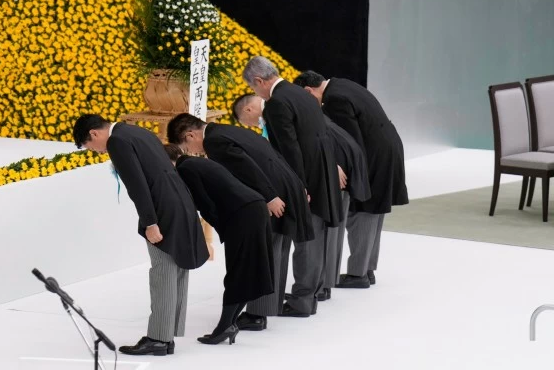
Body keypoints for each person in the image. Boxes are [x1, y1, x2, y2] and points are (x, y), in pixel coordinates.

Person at [73, 114, 208, 357]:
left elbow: (137, 185)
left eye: (89, 147)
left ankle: (158, 338)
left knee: (163, 270)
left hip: (162, 208)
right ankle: (166, 336)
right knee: (176, 268)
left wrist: (150, 223)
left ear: (94, 134)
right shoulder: (137, 132)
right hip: (179, 199)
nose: (96, 151)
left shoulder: (117, 142)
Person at [167, 112, 312, 328]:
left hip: (272, 193)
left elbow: (246, 167)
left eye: (188, 148)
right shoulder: (228, 130)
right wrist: (297, 184)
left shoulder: (214, 141)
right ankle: (263, 310)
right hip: (285, 184)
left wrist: (269, 196)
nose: (194, 153)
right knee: (277, 248)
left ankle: (256, 315)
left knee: (266, 251)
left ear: (190, 135)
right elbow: (272, 153)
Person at [242, 56, 341, 316]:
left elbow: (288, 148)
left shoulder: (276, 103)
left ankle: (302, 301)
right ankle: (311, 294)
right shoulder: (302, 94)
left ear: (259, 81)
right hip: (322, 172)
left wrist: (297, 186)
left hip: (304, 178)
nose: (257, 94)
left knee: (305, 238)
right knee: (315, 235)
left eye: (254, 89)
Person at [295, 70, 409, 288]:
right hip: (387, 148)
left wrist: (339, 169)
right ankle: (367, 269)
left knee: (362, 212)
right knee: (375, 212)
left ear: (309, 90)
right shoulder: (342, 83)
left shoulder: (333, 100)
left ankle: (358, 275)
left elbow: (348, 141)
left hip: (373, 155)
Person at [163, 143, 275, 346]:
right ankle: (228, 324)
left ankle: (224, 327)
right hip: (253, 208)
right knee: (245, 270)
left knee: (238, 271)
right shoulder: (196, 162)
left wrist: (221, 228)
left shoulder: (185, 169)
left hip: (242, 215)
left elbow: (204, 203)